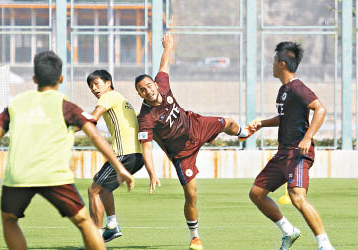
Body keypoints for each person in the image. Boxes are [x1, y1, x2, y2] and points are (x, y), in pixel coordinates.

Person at [0, 51, 134, 250]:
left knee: (9, 219)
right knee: (84, 222)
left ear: (34, 79)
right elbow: (96, 136)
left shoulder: (16, 104)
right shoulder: (66, 107)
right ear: (61, 78)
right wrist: (120, 168)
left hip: (18, 176)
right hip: (54, 176)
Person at [135, 33, 250, 250]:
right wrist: (151, 172)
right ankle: (194, 236)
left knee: (229, 122)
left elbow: (164, 64)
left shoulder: (162, 84)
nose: (149, 90)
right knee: (192, 193)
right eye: (143, 89)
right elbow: (147, 149)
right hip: (182, 154)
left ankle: (243, 133)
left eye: (149, 85)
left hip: (194, 125)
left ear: (153, 84)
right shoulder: (146, 118)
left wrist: (168, 46)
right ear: (140, 94)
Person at [245, 42, 335, 250]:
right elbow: (285, 117)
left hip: (298, 151)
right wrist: (262, 123)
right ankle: (289, 231)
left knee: (297, 197)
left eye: (274, 60)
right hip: (283, 153)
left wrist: (307, 138)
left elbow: (320, 109)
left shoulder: (297, 88)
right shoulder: (284, 90)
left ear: (282, 63)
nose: (272, 64)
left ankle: (325, 245)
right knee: (256, 193)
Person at [85, 69, 144, 242]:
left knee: (93, 190)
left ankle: (95, 240)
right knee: (103, 189)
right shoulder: (121, 99)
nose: (94, 89)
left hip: (124, 154)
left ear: (108, 83)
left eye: (97, 84)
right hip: (135, 155)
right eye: (91, 87)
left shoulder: (109, 96)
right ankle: (111, 226)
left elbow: (93, 119)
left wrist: (69, 125)